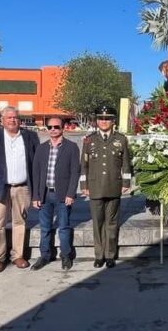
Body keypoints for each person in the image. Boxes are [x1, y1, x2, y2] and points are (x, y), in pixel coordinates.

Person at [0, 106, 40, 273]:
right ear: (2, 120)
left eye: (15, 117)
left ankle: (17, 255)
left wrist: (36, 190)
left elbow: (35, 164)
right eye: (9, 118)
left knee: (20, 222)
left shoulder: (30, 136)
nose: (13, 120)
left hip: (22, 188)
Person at [81, 105, 132, 269]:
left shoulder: (121, 139)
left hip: (114, 185)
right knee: (97, 223)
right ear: (96, 121)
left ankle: (110, 255)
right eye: (101, 119)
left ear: (113, 121)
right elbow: (84, 166)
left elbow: (126, 163)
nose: (104, 121)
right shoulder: (89, 140)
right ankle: (99, 255)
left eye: (107, 119)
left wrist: (126, 183)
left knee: (111, 222)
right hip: (95, 187)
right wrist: (84, 185)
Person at [31, 117, 81, 271]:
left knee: (64, 227)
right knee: (45, 227)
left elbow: (75, 172)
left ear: (63, 128)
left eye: (56, 127)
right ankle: (44, 256)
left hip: (62, 195)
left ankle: (65, 255)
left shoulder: (71, 147)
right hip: (44, 194)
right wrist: (36, 196)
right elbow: (36, 172)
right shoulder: (41, 148)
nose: (53, 129)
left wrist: (71, 193)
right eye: (50, 127)